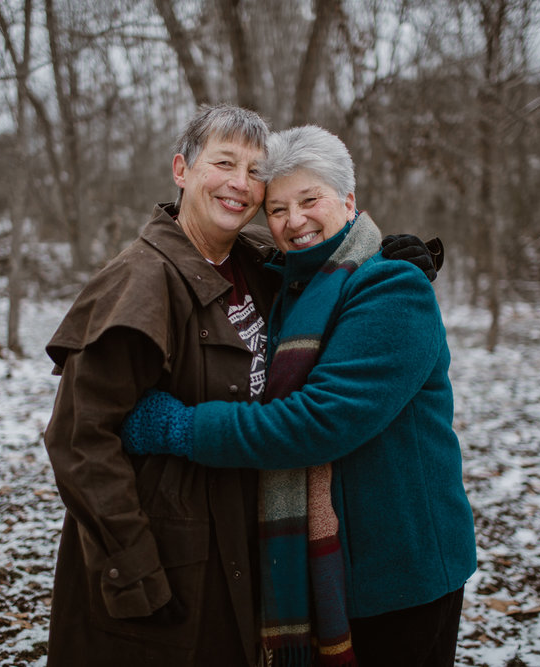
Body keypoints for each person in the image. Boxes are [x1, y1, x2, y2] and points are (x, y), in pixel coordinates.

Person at [42, 105, 440, 666]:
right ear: (182, 169)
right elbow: (80, 440)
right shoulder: (139, 282)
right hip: (164, 557)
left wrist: (387, 257)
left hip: (240, 549)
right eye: (223, 162)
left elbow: (332, 273)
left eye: (255, 172)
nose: (240, 183)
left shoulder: (253, 264)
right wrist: (132, 569)